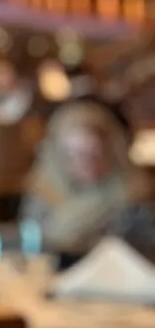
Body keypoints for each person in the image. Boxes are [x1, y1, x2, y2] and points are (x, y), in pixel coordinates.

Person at [20, 99, 141, 255]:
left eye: (94, 155)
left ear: (111, 153)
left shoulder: (133, 203)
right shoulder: (41, 200)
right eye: (75, 155)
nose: (85, 164)